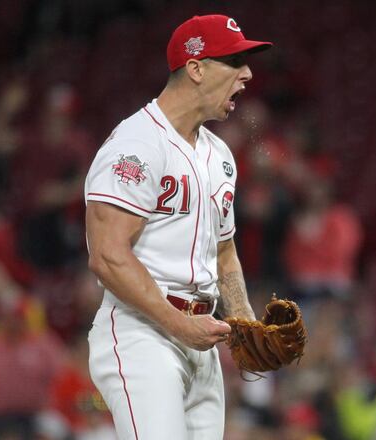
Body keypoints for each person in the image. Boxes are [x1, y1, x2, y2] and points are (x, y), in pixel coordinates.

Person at [84, 14, 271, 439]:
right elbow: (108, 256)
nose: (248, 74)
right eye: (234, 61)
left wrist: (244, 324)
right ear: (196, 68)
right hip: (142, 333)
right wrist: (179, 324)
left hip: (199, 340)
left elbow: (225, 253)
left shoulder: (220, 154)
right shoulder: (137, 144)